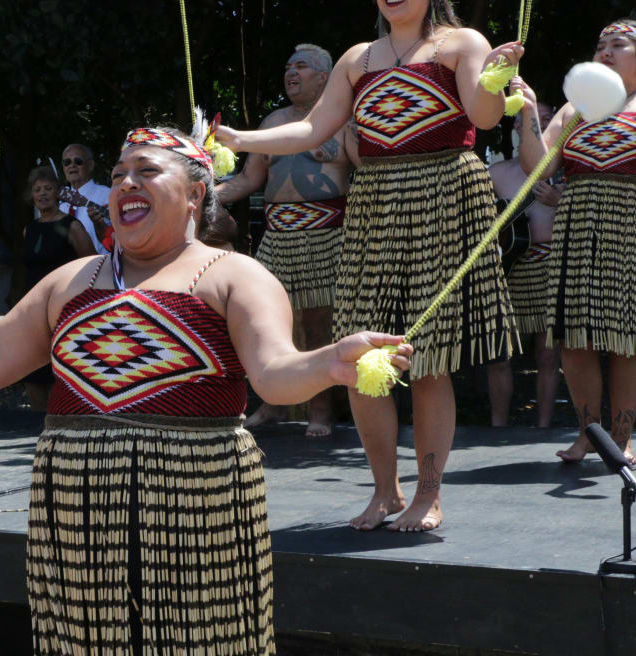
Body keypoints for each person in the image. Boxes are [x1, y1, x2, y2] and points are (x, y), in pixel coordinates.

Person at [0, 125, 411, 652]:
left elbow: (275, 374)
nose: (125, 182)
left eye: (147, 171)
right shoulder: (71, 281)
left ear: (195, 193)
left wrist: (331, 362)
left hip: (193, 508)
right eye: (117, 176)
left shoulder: (234, 275)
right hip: (76, 513)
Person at [218, 0, 521, 531]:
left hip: (444, 194)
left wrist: (497, 78)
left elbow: (484, 117)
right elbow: (312, 130)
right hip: (375, 202)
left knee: (426, 358)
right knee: (364, 358)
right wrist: (241, 139)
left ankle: (429, 494)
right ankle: (385, 491)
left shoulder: (461, 43)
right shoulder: (358, 59)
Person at [512, 17, 636, 465]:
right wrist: (527, 111)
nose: (606, 52)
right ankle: (588, 433)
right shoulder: (575, 109)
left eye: (617, 45)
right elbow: (537, 167)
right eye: (600, 45)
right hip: (577, 228)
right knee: (575, 338)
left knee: (627, 337)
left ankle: (622, 436)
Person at [218, 43, 359, 438]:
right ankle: (274, 404)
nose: (291, 73)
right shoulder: (272, 122)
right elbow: (248, 180)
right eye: (287, 67)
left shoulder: (343, 122)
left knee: (319, 324)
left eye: (301, 67)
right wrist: (203, 194)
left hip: (326, 233)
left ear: (324, 78)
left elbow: (367, 170)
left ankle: (320, 411)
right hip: (278, 235)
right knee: (269, 323)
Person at [486, 102, 563, 428]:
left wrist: (560, 201)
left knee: (548, 355)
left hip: (550, 266)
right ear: (517, 128)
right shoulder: (496, 173)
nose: (539, 125)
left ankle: (544, 425)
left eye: (546, 120)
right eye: (531, 120)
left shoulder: (567, 175)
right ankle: (497, 425)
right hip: (509, 271)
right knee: (499, 356)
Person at [21, 165, 94, 409]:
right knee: (32, 375)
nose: (42, 194)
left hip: (64, 311)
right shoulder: (28, 229)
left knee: (60, 375)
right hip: (34, 312)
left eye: (48, 188)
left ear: (58, 192)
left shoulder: (73, 226)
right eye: (37, 189)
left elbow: (90, 266)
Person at [57, 143, 111, 253]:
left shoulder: (107, 195)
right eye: (67, 162)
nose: (72, 165)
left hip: (101, 266)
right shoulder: (60, 206)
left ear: (90, 165)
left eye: (78, 161)